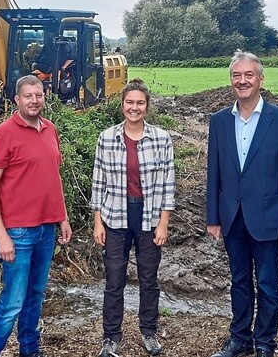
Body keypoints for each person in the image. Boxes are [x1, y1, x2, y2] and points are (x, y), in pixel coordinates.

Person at [205, 51, 278, 357]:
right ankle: (239, 339)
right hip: (232, 216)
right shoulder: (219, 121)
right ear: (231, 80)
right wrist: (213, 217)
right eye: (237, 75)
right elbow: (215, 173)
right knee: (239, 281)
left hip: (269, 219)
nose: (243, 81)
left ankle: (264, 343)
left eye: (249, 75)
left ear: (261, 79)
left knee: (268, 285)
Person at [0, 74, 73, 357]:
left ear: (45, 97)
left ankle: (30, 351)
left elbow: (52, 177)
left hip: (46, 228)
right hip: (17, 232)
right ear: (17, 100)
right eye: (28, 96)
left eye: (39, 95)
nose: (34, 100)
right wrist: (1, 235)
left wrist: (63, 216)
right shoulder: (4, 133)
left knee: (35, 296)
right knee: (12, 302)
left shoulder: (50, 129)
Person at [91, 78, 175, 357]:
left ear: (147, 107)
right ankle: (111, 337)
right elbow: (98, 182)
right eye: (130, 102)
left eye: (140, 103)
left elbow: (167, 185)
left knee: (149, 278)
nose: (134, 107)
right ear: (122, 105)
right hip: (114, 217)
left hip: (149, 216)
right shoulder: (106, 137)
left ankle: (149, 332)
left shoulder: (161, 139)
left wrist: (163, 223)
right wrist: (97, 221)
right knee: (114, 279)